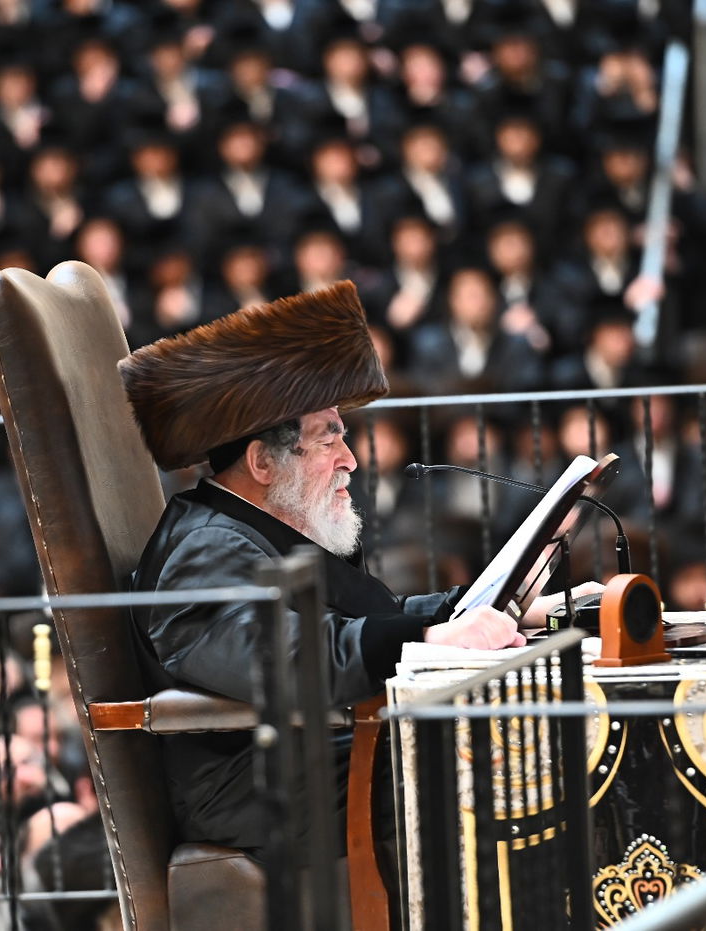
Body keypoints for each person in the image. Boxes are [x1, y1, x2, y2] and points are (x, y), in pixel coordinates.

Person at [120, 281, 592, 872]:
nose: (352, 459)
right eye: (330, 437)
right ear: (262, 462)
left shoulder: (246, 528)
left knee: (531, 733)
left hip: (320, 750)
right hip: (262, 788)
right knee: (516, 749)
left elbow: (363, 623)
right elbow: (288, 657)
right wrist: (422, 638)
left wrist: (501, 609)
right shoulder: (204, 545)